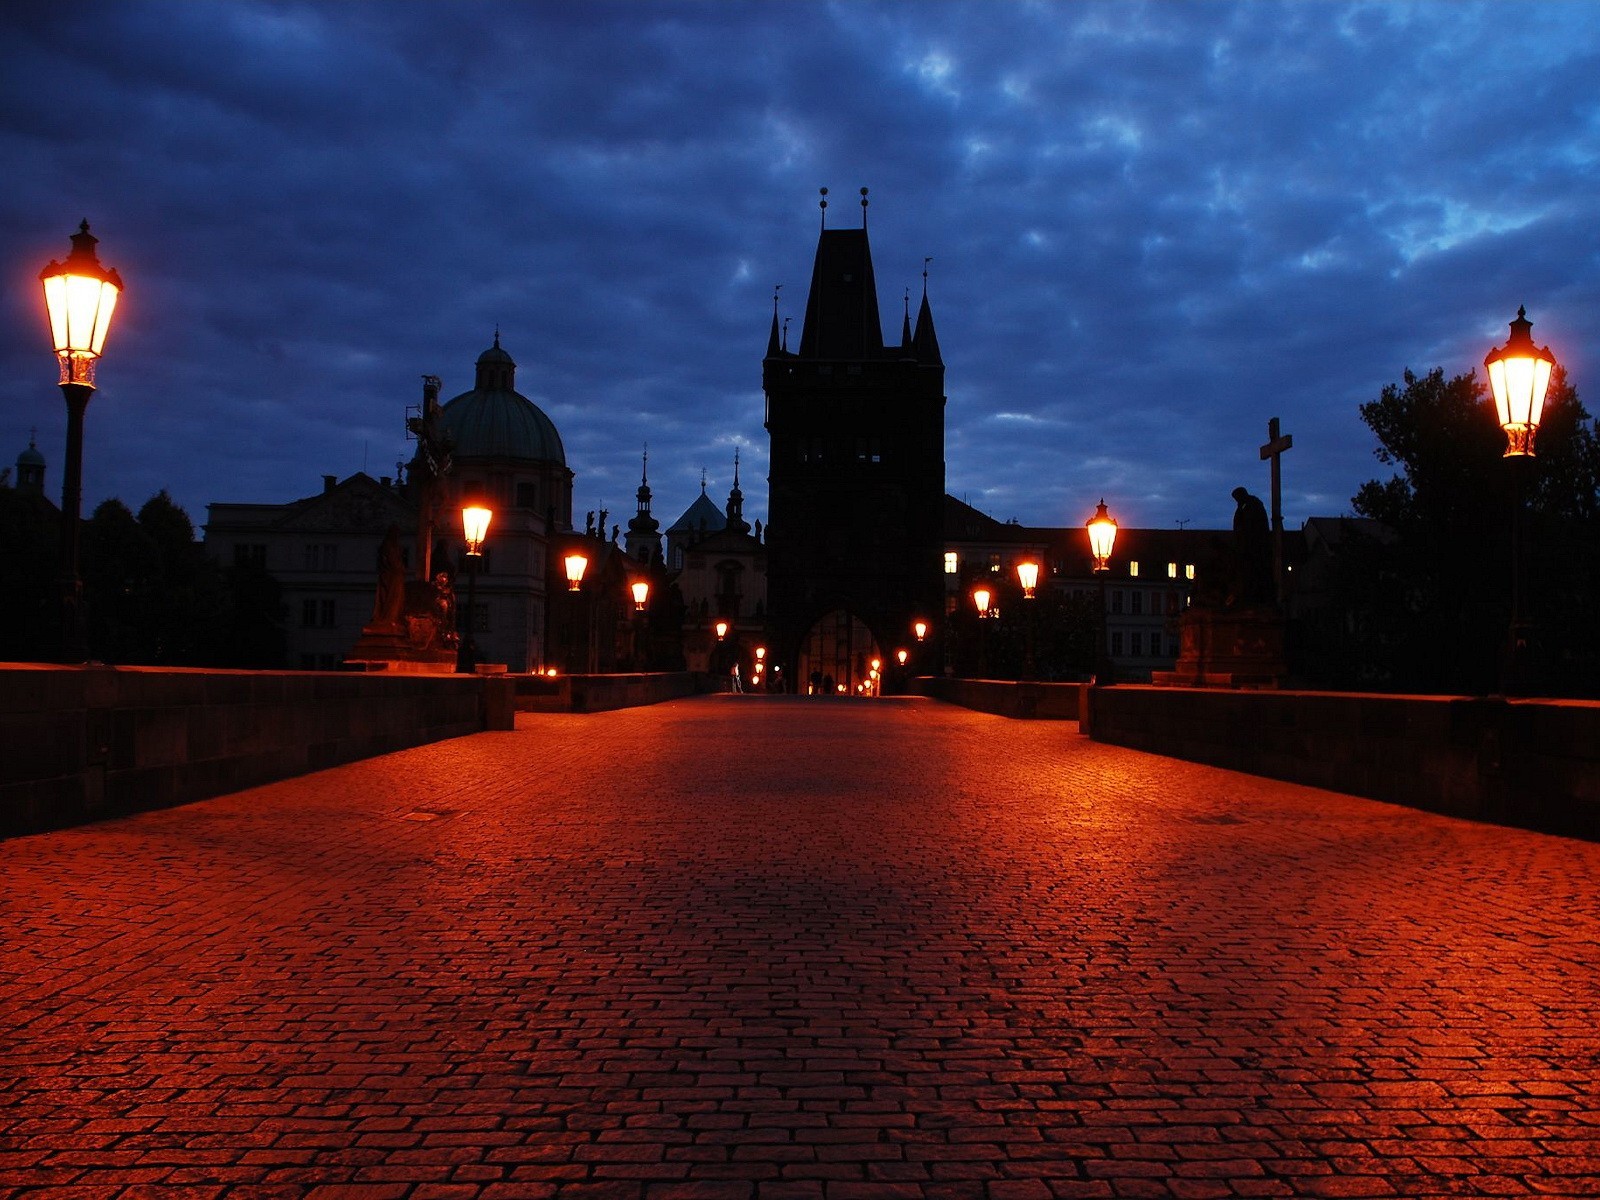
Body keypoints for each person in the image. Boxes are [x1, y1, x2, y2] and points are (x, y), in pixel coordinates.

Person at [1230, 486, 1274, 607]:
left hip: (1253, 545)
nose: (1236, 500)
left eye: (1236, 497)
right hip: (1248, 544)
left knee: (1253, 571)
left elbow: (1250, 525)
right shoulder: (1246, 505)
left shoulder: (1251, 505)